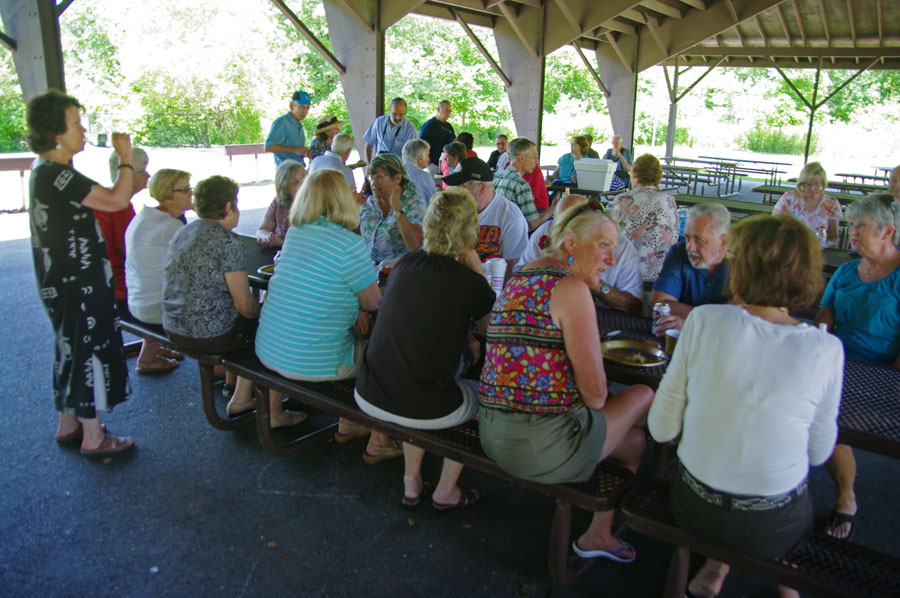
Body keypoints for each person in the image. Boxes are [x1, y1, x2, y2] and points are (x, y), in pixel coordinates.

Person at [650, 214, 842, 598]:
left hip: (695, 508)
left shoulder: (703, 321)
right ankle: (785, 585)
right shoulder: (825, 348)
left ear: (741, 266)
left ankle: (716, 567)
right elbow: (819, 453)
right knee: (793, 492)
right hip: (772, 523)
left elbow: (661, 430)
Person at [478, 202, 653, 562]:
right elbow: (595, 396)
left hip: (491, 434)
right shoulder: (571, 288)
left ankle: (599, 531)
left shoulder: (521, 275)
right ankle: (598, 533)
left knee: (632, 442)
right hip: (539, 447)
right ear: (571, 244)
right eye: (603, 245)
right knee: (642, 393)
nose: (611, 258)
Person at [355, 187, 496, 509]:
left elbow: (423, 319)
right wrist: (479, 273)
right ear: (470, 228)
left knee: (416, 376)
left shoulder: (405, 265)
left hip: (369, 394)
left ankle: (411, 482)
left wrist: (464, 335)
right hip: (421, 404)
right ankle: (446, 490)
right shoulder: (468, 281)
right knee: (483, 394)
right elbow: (497, 335)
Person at [254, 169, 400, 464]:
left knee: (351, 331)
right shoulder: (349, 245)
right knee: (385, 351)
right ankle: (379, 438)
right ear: (341, 200)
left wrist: (356, 305)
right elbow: (374, 303)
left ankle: (349, 421)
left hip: (270, 351)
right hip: (315, 362)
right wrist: (360, 306)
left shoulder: (295, 233)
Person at [26, 90, 135, 456]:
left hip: (62, 282)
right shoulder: (58, 175)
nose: (83, 129)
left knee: (70, 345)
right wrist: (125, 160)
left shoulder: (47, 171)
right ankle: (94, 437)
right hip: (79, 284)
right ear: (55, 132)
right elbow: (118, 199)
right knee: (89, 348)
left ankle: (69, 423)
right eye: (75, 123)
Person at [162, 175, 305, 428]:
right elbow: (244, 305)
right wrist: (268, 314)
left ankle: (240, 398)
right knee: (272, 331)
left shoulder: (184, 231)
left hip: (174, 327)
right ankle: (274, 413)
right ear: (228, 206)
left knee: (252, 327)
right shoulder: (226, 240)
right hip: (211, 334)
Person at [815, 193, 900, 540]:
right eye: (852, 225)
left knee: (830, 418)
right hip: (837, 364)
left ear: (887, 231)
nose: (853, 232)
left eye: (862, 226)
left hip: (881, 373)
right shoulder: (848, 270)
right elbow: (825, 316)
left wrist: (889, 384)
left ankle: (846, 496)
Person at [517, 195, 643, 315]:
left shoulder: (621, 246)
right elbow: (519, 277)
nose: (562, 231)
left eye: (573, 222)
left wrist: (595, 285)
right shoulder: (547, 231)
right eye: (560, 223)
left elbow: (634, 307)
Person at [124, 168, 194, 375]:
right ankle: (219, 369)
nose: (191, 193)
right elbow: (200, 267)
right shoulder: (170, 226)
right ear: (167, 195)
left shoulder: (144, 216)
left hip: (137, 301)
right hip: (155, 309)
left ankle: (148, 356)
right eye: (185, 189)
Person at [443, 157, 528, 282]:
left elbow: (513, 270)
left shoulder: (511, 216)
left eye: (461, 187)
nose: (455, 191)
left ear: (481, 188)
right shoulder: (453, 210)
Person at [651, 203, 731, 334]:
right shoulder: (679, 252)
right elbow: (659, 306)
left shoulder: (742, 262)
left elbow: (743, 319)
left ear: (722, 241)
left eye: (699, 239)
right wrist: (713, 320)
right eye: (687, 238)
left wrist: (691, 323)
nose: (690, 247)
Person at [97, 147, 150, 316]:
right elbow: (129, 250)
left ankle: (151, 342)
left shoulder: (107, 198)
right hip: (117, 284)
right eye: (142, 171)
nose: (148, 176)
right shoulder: (120, 206)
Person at [613, 153, 679, 281]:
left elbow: (612, 235)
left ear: (635, 175)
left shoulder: (622, 199)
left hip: (628, 271)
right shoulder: (670, 200)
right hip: (662, 272)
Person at [359, 154, 426, 264]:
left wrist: (397, 209)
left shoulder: (413, 203)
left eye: (379, 177)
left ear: (397, 178)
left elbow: (416, 245)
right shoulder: (370, 204)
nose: (373, 184)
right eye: (371, 178)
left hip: (400, 272)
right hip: (370, 271)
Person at [773, 161, 842, 246]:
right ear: (802, 183)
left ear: (822, 183)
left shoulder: (831, 203)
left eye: (817, 184)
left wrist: (825, 245)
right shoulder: (788, 198)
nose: (813, 188)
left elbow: (833, 237)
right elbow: (774, 226)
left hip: (818, 250)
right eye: (809, 184)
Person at [494, 137, 552, 231]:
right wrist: (554, 207)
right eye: (534, 157)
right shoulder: (521, 184)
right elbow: (533, 224)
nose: (537, 162)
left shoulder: (497, 176)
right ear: (521, 158)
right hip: (513, 235)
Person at [256, 159, 307, 248]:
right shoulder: (278, 202)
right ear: (285, 188)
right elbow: (262, 229)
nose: (302, 184)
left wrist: (281, 243)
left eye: (305, 178)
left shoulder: (316, 204)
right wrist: (267, 237)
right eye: (295, 182)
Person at [264, 90, 310, 166]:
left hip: (298, 169)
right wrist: (294, 149)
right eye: (301, 107)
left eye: (307, 108)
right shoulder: (281, 122)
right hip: (286, 171)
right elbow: (268, 147)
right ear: (291, 106)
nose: (304, 111)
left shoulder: (299, 124)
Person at [363, 97, 417, 161]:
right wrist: (369, 164)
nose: (397, 117)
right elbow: (369, 144)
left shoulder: (410, 128)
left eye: (401, 114)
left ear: (405, 112)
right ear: (389, 109)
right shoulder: (379, 122)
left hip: (398, 167)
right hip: (379, 164)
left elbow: (413, 154)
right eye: (394, 114)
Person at [418, 100, 455, 174]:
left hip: (446, 164)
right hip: (433, 164)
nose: (448, 113)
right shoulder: (428, 126)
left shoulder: (449, 127)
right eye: (446, 110)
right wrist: (428, 161)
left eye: (449, 111)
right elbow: (421, 145)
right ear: (438, 109)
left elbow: (453, 143)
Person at [402, 138, 437, 205]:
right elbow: (433, 202)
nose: (428, 159)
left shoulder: (396, 172)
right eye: (427, 155)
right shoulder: (425, 177)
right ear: (420, 158)